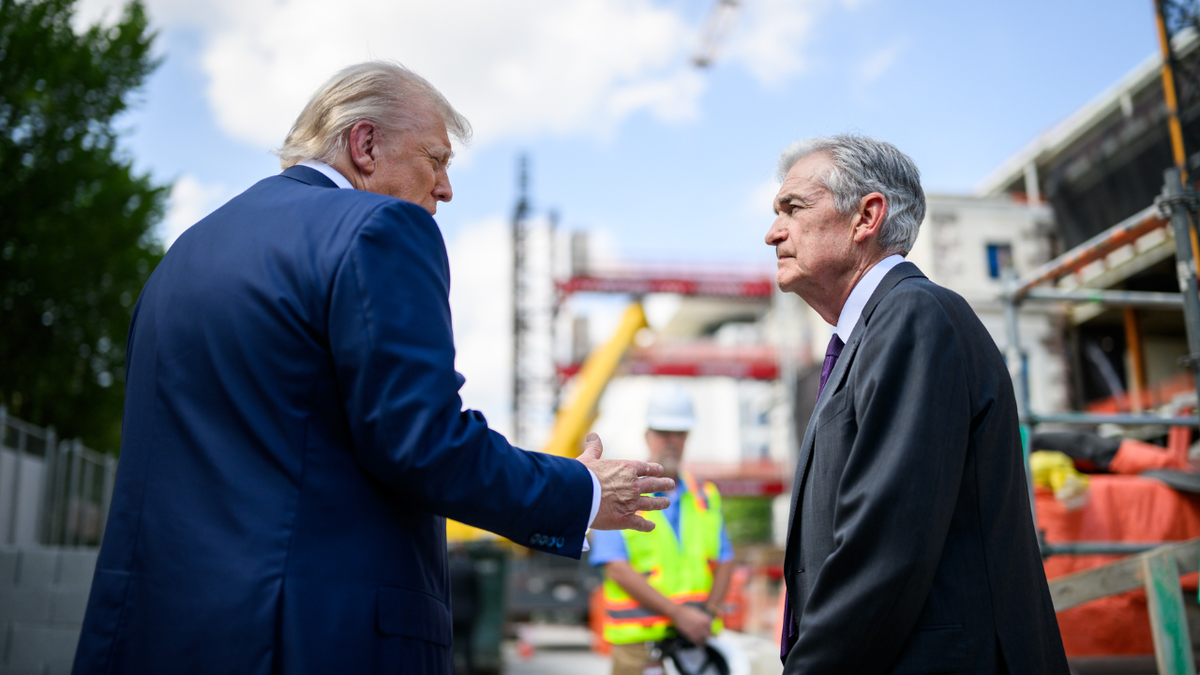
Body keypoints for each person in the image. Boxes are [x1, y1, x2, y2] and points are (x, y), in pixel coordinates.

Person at [72, 61, 673, 675]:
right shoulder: (379, 229)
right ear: (365, 145)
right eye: (435, 160)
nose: (444, 189)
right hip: (312, 641)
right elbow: (421, 444)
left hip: (152, 635)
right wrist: (581, 491)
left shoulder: (183, 256)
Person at [766, 135, 1069, 674]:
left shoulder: (912, 317)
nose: (773, 233)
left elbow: (883, 548)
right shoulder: (875, 333)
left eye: (793, 208)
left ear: (866, 217)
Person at [590, 383, 735, 675]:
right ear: (648, 435)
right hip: (640, 647)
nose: (672, 441)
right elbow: (615, 568)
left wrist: (706, 613)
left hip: (693, 641)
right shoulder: (619, 493)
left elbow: (725, 558)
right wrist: (680, 615)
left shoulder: (704, 494)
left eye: (679, 434)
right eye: (663, 433)